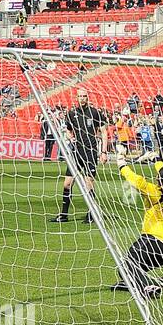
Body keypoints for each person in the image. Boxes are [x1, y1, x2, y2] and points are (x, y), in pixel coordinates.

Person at [110, 148, 163, 299]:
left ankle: (148, 287)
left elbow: (136, 180)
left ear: (160, 179)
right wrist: (156, 159)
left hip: (152, 241)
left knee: (127, 264)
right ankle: (131, 282)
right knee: (125, 270)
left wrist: (121, 162)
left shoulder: (154, 191)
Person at [51, 88, 110, 224]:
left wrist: (104, 152)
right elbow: (68, 130)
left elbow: (104, 132)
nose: (82, 98)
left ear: (87, 98)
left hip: (90, 152)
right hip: (77, 152)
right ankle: (63, 215)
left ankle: (91, 214)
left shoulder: (95, 112)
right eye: (80, 96)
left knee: (88, 183)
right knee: (67, 183)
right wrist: (69, 136)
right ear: (76, 98)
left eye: (84, 96)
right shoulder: (72, 113)